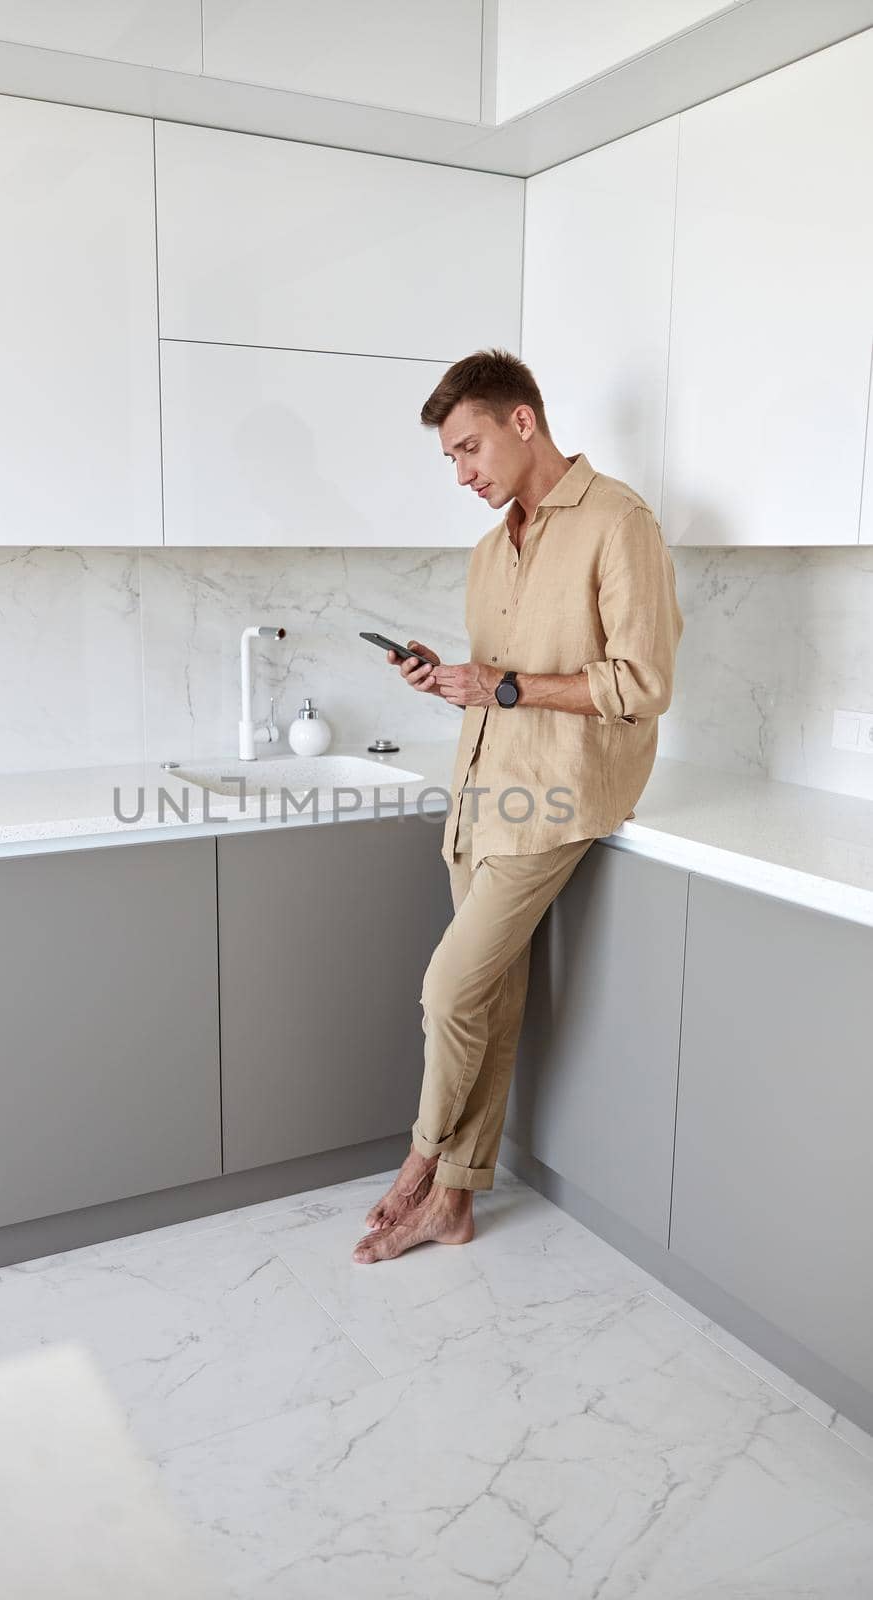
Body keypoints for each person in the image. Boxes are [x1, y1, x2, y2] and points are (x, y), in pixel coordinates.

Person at [352, 348, 684, 1264]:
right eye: (450, 458)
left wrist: (500, 688)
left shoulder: (619, 523)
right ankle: (455, 1208)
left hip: (559, 797)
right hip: (480, 793)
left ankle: (423, 1163)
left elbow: (642, 682)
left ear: (522, 422)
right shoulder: (490, 547)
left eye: (468, 449)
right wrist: (451, 681)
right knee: (488, 998)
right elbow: (500, 686)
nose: (461, 473)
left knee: (449, 990)